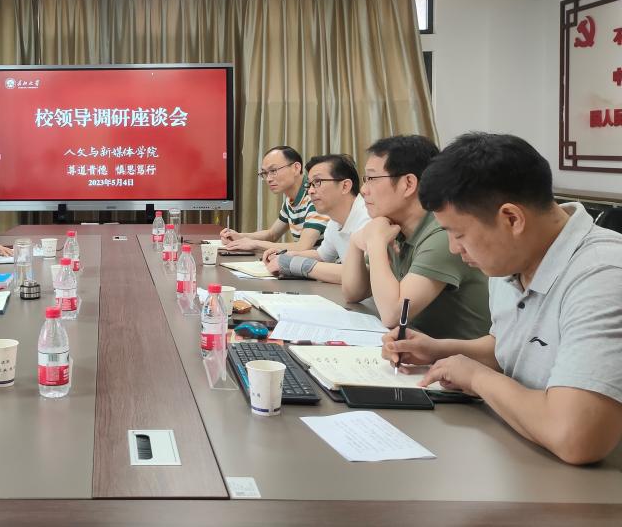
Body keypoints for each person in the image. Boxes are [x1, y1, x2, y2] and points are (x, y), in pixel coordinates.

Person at [382, 133, 622, 466]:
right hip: (523, 454)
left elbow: (576, 437)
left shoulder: (602, 275)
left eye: (459, 234)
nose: (454, 248)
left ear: (511, 219)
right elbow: (511, 348)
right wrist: (438, 350)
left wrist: (477, 378)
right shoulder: (512, 258)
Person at [341, 135, 490, 337]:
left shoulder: (443, 234)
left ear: (408, 184)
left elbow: (393, 314)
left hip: (458, 354)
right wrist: (355, 241)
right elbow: (353, 293)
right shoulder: (393, 227)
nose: (364, 189)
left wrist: (375, 241)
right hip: (419, 347)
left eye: (372, 179)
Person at [264, 154, 369, 284]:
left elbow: (362, 274)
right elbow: (322, 255)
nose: (310, 191)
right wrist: (286, 255)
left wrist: (295, 264)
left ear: (345, 186)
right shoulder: (334, 221)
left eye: (318, 182)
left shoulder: (368, 218)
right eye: (309, 185)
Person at [220, 146, 329, 254]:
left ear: (296, 168)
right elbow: (272, 234)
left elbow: (303, 246)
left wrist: (254, 243)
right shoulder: (291, 200)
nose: (268, 179)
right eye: (264, 173)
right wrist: (239, 236)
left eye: (273, 171)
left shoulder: (314, 196)